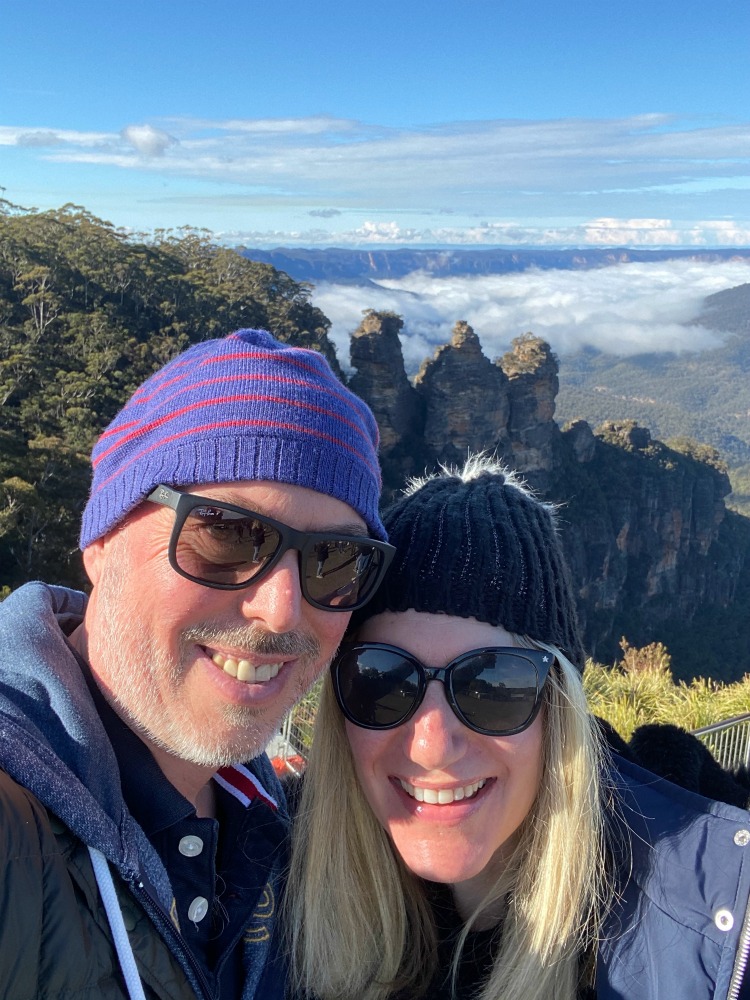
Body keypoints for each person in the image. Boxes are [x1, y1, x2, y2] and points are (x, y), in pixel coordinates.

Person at [0, 328, 394, 1000]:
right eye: (226, 533)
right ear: (101, 540)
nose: (282, 609)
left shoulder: (283, 827)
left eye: (334, 558)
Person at [287, 455, 750, 1000]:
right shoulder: (269, 885)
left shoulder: (715, 930)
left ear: (559, 706)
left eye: (493, 687)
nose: (432, 743)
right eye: (382, 680)